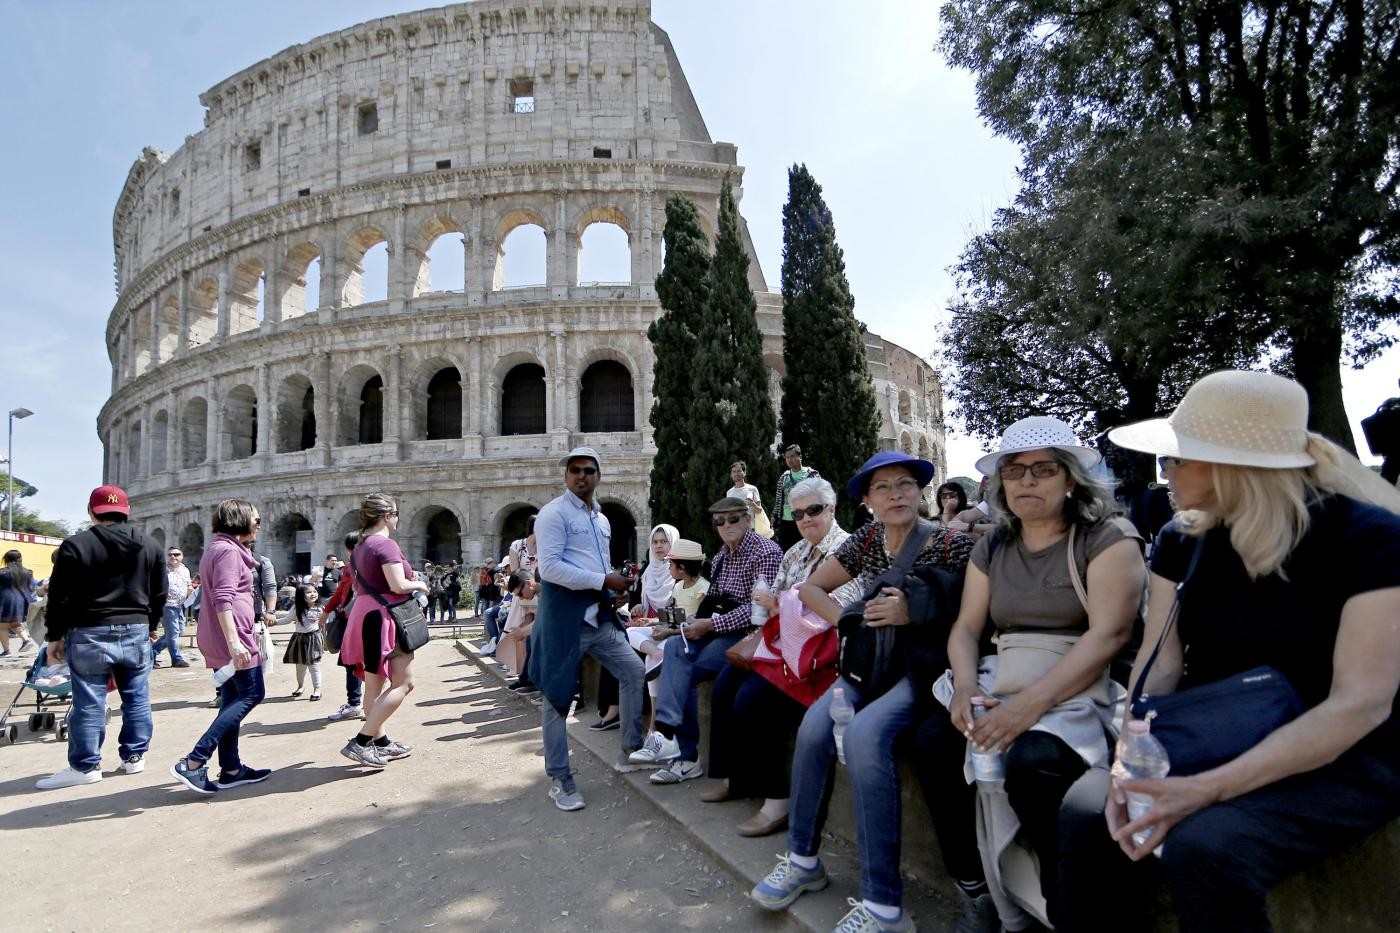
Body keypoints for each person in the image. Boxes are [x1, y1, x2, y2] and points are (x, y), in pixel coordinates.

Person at [1050, 370, 1400, 933]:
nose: (1164, 472)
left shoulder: (1370, 539)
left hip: (1340, 756)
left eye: (1179, 458)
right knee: (1088, 812)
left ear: (1231, 464)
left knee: (1206, 846)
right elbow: (1158, 665)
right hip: (1212, 730)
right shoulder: (1180, 541)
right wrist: (1127, 762)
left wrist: (1204, 789)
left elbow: (1359, 703)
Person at [749, 451, 974, 933]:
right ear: (869, 502)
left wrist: (915, 613)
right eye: (884, 488)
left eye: (906, 484)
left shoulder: (951, 545)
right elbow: (811, 590)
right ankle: (804, 859)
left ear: (921, 493)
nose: (897, 494)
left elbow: (973, 617)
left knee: (865, 737)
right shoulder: (869, 540)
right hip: (870, 666)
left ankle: (884, 906)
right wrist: (851, 623)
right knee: (813, 727)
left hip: (921, 672)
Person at [941, 417, 1145, 930]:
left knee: (1034, 763)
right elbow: (966, 628)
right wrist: (965, 689)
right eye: (1015, 471)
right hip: (1006, 672)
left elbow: (1110, 636)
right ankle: (984, 889)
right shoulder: (994, 544)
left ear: (1071, 477)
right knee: (931, 740)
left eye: (1043, 469)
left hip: (1084, 682)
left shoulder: (1107, 537)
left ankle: (1063, 904)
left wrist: (1024, 709)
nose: (1027, 481)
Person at [705, 477, 861, 837]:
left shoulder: (847, 549)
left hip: (820, 657)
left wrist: (783, 605)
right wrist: (777, 605)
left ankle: (778, 799)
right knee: (726, 682)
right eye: (799, 512)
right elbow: (776, 597)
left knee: (753, 700)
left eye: (814, 510)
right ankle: (736, 778)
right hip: (784, 647)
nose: (806, 518)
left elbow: (840, 608)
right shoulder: (795, 552)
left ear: (832, 509)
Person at [629, 496, 783, 785]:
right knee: (674, 648)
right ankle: (668, 737)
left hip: (745, 634)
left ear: (748, 519)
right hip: (715, 628)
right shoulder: (724, 554)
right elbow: (714, 602)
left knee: (681, 667)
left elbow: (758, 611)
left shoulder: (765, 552)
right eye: (719, 521)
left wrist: (710, 623)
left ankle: (682, 753)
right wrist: (689, 626)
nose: (726, 525)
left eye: (733, 518)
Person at [527, 446, 643, 811]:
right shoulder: (553, 514)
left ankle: (630, 750)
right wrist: (603, 580)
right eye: (575, 470)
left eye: (588, 470)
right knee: (557, 699)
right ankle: (560, 778)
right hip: (565, 620)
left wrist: (612, 588)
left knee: (634, 672)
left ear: (598, 475)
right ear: (566, 475)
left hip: (599, 617)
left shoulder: (601, 518)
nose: (581, 476)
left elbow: (599, 564)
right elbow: (551, 570)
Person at [36, 486, 165, 790]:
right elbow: (159, 592)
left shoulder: (76, 545)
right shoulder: (150, 545)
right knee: (136, 696)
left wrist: (55, 635)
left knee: (90, 700)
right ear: (126, 511)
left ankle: (86, 765)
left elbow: (59, 595)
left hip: (89, 629)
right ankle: (134, 757)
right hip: (135, 627)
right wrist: (151, 624)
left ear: (92, 512)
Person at [170, 499, 270, 795]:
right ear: (239, 520)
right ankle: (194, 760)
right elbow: (223, 598)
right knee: (253, 693)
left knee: (230, 701)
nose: (259, 524)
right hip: (232, 637)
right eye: (256, 519)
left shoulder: (220, 547)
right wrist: (236, 642)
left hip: (221, 634)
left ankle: (231, 768)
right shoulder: (227, 551)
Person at [338, 493, 430, 768]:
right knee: (404, 683)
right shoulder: (385, 545)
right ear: (387, 516)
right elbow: (398, 585)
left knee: (374, 685)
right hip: (386, 617)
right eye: (396, 514)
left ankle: (381, 743)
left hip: (365, 614)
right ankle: (362, 741)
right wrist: (420, 585)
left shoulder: (361, 546)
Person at [324, 532, 366, 723]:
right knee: (352, 663)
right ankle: (356, 703)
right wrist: (326, 611)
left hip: (361, 620)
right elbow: (341, 592)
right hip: (350, 620)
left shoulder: (362, 567)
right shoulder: (349, 569)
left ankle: (359, 703)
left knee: (357, 662)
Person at [772, 445, 820, 551]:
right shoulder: (784, 477)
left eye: (793, 456)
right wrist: (775, 515)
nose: (790, 460)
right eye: (787, 457)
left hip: (804, 520)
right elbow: (779, 499)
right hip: (785, 521)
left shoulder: (811, 475)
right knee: (784, 553)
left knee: (805, 551)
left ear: (800, 457)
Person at [282, 583, 324, 700]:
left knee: (313, 665)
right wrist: (273, 622)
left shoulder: (320, 608)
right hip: (299, 639)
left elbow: (326, 622)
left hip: (314, 639)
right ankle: (300, 687)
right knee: (300, 666)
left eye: (314, 591)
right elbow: (287, 620)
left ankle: (317, 689)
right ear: (301, 596)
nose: (313, 594)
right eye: (309, 592)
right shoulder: (296, 608)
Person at [151, 546, 192, 668]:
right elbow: (153, 584)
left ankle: (151, 654)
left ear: (182, 556)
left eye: (176, 554)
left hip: (180, 605)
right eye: (170, 555)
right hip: (167, 605)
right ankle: (176, 659)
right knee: (173, 632)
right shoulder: (163, 570)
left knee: (178, 631)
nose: (173, 557)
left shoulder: (185, 570)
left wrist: (190, 589)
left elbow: (188, 584)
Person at [496, 572, 539, 679]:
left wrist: (523, 631)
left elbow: (543, 623)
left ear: (528, 583)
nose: (520, 598)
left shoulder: (544, 593)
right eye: (517, 596)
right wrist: (521, 629)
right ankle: (527, 677)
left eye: (520, 594)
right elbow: (530, 618)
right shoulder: (527, 597)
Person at [1, 549, 37, 655]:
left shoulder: (2, 572)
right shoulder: (27, 573)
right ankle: (26, 640)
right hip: (21, 600)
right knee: (14, 622)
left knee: (2, 626)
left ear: (6, 559)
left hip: (5, 599)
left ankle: (6, 651)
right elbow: (31, 588)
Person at [728, 460, 773, 539]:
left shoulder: (752, 489)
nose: (736, 474)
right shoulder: (729, 493)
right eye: (734, 472)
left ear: (744, 473)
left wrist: (753, 504)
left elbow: (759, 511)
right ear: (731, 474)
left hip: (751, 532)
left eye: (739, 471)